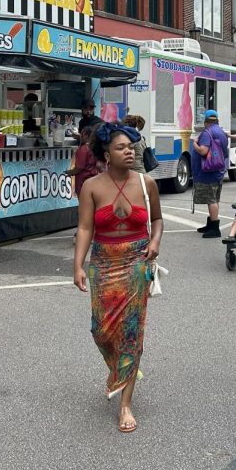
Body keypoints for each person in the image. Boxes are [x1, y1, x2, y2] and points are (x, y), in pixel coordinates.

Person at [73, 123, 163, 433]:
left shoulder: (146, 182)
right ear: (106, 154)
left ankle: (125, 403)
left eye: (131, 147)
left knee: (130, 332)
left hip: (137, 262)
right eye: (121, 147)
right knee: (100, 330)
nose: (129, 151)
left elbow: (158, 220)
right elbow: (85, 228)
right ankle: (121, 367)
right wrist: (78, 265)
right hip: (103, 262)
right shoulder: (92, 186)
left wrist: (154, 243)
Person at [192, 109, 230, 239]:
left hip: (208, 172)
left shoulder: (207, 133)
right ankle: (211, 224)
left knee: (211, 199)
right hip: (218, 170)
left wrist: (195, 144)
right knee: (214, 198)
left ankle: (214, 228)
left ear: (205, 121)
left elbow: (203, 151)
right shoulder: (221, 132)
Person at [67, 125, 101, 197]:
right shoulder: (95, 148)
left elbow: (79, 167)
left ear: (87, 135)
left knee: (84, 202)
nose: (80, 136)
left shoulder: (83, 149)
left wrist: (71, 172)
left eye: (82, 134)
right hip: (94, 179)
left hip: (83, 181)